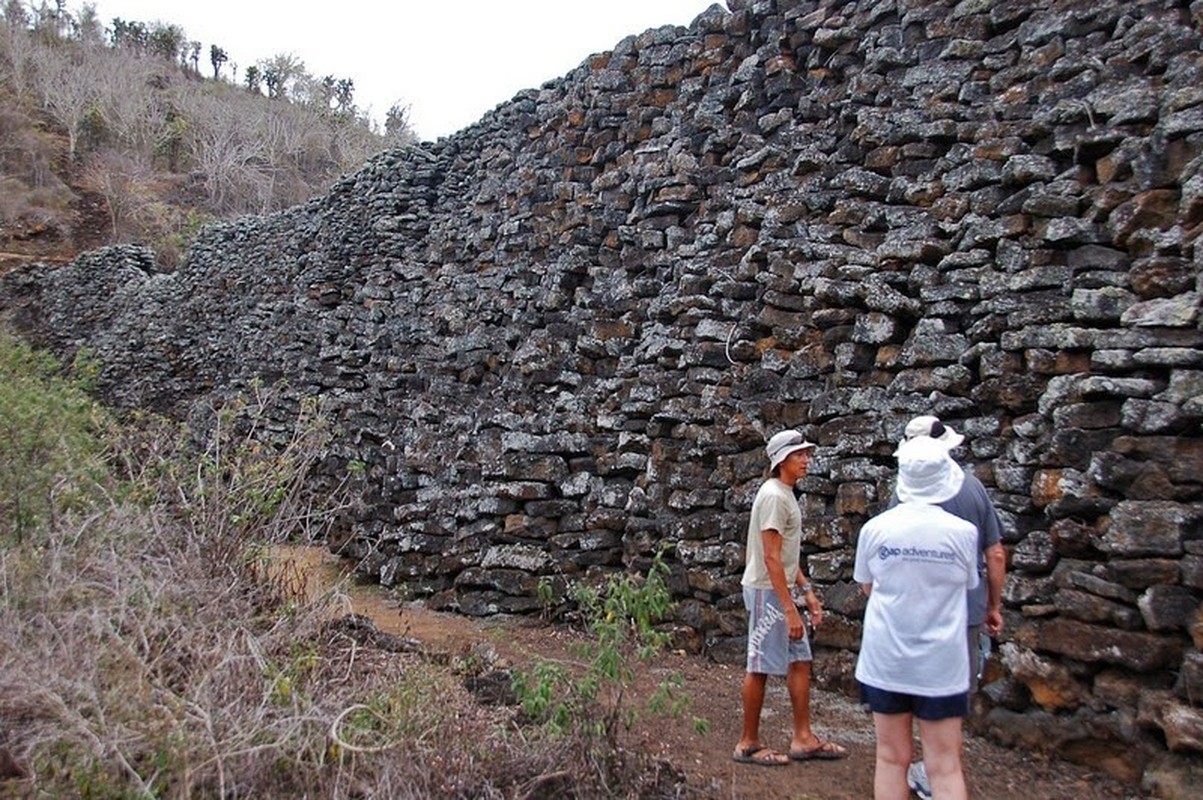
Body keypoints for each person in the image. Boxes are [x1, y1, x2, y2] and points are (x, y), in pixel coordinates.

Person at [855, 436, 981, 799]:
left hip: (886, 659)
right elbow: (968, 583)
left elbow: (867, 586)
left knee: (891, 758)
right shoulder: (962, 534)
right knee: (945, 765)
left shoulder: (876, 529)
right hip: (941, 663)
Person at [890, 416, 1006, 800]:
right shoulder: (972, 489)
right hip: (965, 609)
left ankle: (913, 768)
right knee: (953, 693)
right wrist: (993, 604)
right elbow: (995, 553)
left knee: (908, 693)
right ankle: (943, 769)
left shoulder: (903, 493)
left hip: (914, 610)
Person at [732, 429, 849, 766]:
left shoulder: (785, 494)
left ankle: (803, 738)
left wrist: (807, 593)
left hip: (779, 590)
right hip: (767, 592)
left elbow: (785, 556)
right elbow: (770, 557)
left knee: (799, 659)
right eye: (799, 455)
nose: (806, 460)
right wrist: (788, 609)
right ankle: (748, 743)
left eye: (807, 454)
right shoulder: (774, 497)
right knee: (760, 664)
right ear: (781, 459)